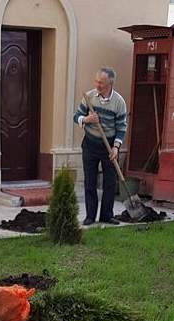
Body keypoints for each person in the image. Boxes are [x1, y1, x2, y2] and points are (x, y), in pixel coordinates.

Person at [73, 67, 127, 226]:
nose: (97, 85)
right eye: (96, 81)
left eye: (101, 83)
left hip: (108, 146)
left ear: (110, 83)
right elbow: (76, 117)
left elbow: (121, 127)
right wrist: (88, 119)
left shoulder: (119, 102)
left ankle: (106, 215)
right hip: (90, 144)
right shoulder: (89, 97)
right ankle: (90, 216)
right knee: (90, 181)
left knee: (109, 182)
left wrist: (116, 148)